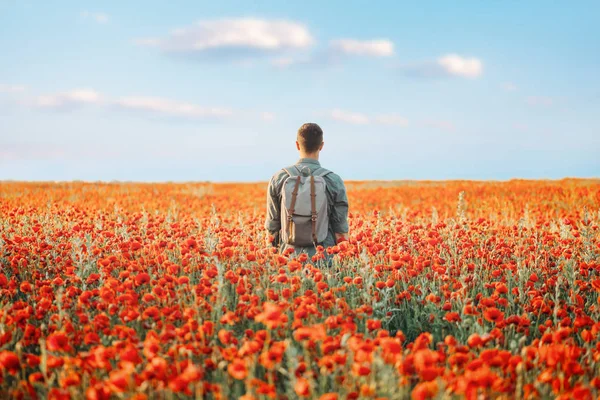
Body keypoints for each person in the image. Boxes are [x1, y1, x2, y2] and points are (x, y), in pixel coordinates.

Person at [265, 123, 349, 260]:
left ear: (297, 145)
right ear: (321, 146)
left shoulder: (279, 178)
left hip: (289, 259)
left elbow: (272, 230)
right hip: (324, 259)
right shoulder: (333, 180)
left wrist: (274, 261)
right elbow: (341, 232)